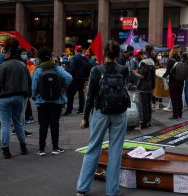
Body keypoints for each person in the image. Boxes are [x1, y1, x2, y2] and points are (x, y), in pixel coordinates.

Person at [77, 41, 129, 196]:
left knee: (93, 148)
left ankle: (82, 188)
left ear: (104, 54)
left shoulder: (96, 70)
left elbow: (90, 96)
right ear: (118, 55)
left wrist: (85, 117)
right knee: (115, 151)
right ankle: (112, 191)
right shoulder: (123, 70)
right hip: (119, 113)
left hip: (100, 112)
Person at [0, 37, 31, 159]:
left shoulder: (2, 66)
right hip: (19, 96)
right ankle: (23, 147)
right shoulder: (22, 65)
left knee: (5, 124)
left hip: (4, 97)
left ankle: (6, 149)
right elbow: (29, 81)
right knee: (18, 123)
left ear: (8, 52)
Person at [32, 47, 72, 156]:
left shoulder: (39, 69)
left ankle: (41, 149)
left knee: (43, 125)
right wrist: (61, 89)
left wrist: (36, 97)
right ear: (50, 56)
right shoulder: (56, 68)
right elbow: (69, 77)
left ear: (39, 58)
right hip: (57, 101)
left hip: (42, 101)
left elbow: (34, 87)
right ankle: (55, 148)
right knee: (54, 124)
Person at [64, 45, 89, 116]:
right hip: (83, 78)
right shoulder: (85, 58)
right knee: (81, 93)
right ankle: (81, 110)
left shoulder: (75, 57)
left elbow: (72, 69)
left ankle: (69, 110)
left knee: (70, 93)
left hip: (75, 78)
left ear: (75, 50)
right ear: (81, 50)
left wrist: (66, 70)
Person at [134, 50, 155, 129]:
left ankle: (144, 123)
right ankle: (149, 121)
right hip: (150, 86)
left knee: (144, 106)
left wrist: (135, 73)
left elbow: (142, 75)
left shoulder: (143, 63)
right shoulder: (151, 61)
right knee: (148, 104)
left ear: (140, 55)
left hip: (143, 87)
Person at [163, 45, 184, 120]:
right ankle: (180, 114)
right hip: (181, 81)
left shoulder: (170, 60)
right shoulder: (181, 59)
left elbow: (167, 72)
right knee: (179, 97)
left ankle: (175, 115)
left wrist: (162, 76)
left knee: (174, 98)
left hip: (173, 81)